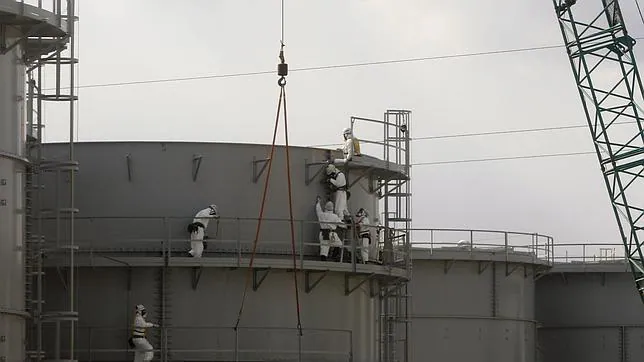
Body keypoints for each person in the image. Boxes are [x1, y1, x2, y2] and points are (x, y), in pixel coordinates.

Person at [315, 196, 346, 261]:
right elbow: (340, 224)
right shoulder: (334, 216)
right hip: (332, 234)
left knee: (324, 248)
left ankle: (323, 262)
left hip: (323, 233)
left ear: (325, 207)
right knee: (339, 245)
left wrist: (318, 202)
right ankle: (336, 257)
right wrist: (347, 225)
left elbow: (318, 209)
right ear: (332, 208)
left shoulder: (321, 214)